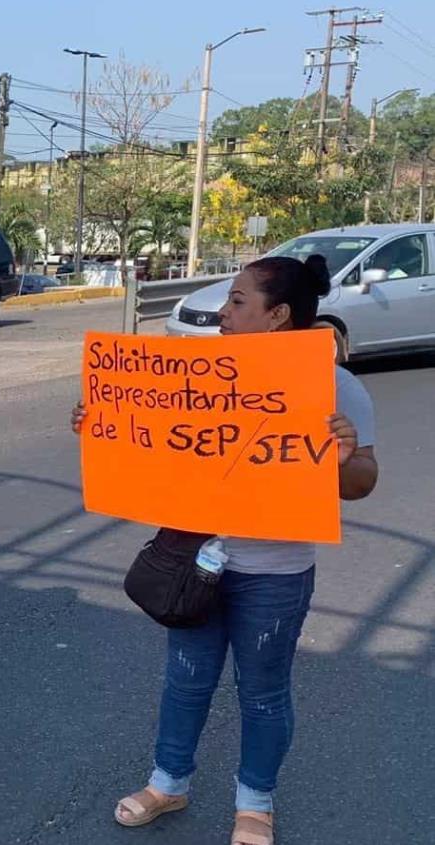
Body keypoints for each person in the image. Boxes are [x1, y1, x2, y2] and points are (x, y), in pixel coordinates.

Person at [71, 255, 378, 845]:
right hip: (194, 562)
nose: (223, 313)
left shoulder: (336, 388)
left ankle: (254, 804)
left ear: (277, 314)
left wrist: (344, 457)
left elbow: (364, 481)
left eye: (238, 302)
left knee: (262, 691)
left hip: (276, 571)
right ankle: (168, 782)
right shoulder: (195, 373)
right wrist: (102, 422)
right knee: (185, 681)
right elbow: (151, 443)